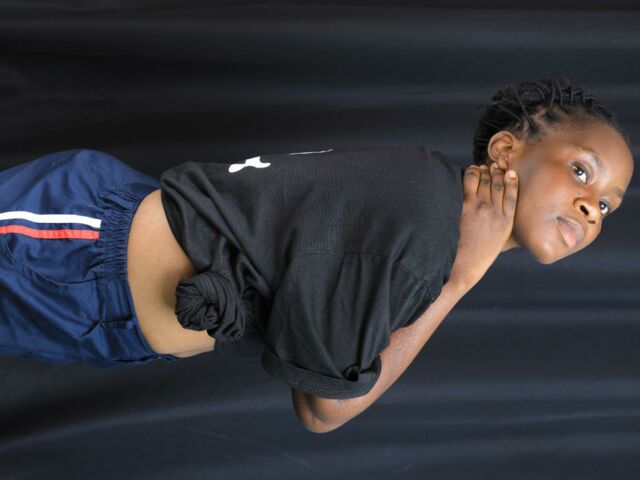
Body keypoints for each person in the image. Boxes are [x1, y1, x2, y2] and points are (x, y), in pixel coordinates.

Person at [0, 78, 634, 434]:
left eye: (608, 205)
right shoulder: (425, 223)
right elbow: (323, 410)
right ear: (505, 151)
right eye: (582, 172)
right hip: (75, 249)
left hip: (99, 305)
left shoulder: (436, 215)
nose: (591, 209)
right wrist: (458, 283)